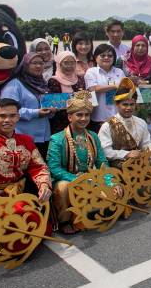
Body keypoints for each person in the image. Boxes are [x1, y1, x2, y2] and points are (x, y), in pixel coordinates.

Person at [47, 91, 110, 234]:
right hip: (66, 179)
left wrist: (109, 180)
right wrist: (76, 179)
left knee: (112, 189)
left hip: (89, 177)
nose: (84, 118)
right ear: (70, 117)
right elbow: (54, 168)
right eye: (79, 115)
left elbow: (102, 162)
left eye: (87, 115)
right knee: (63, 188)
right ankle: (65, 221)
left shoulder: (93, 136)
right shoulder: (57, 139)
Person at [0, 51, 54, 158]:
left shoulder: (42, 84)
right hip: (22, 137)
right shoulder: (14, 85)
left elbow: (45, 107)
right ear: (25, 65)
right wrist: (36, 113)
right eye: (34, 63)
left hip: (43, 137)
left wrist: (52, 110)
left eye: (41, 63)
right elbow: (8, 111)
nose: (38, 66)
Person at [98, 77, 151, 166]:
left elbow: (146, 143)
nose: (129, 108)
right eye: (125, 104)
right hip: (116, 168)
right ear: (117, 104)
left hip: (139, 165)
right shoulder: (107, 125)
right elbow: (105, 151)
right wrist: (126, 154)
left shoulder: (141, 122)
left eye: (132, 104)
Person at [85, 44, 125, 132]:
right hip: (98, 117)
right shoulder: (91, 72)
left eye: (110, 56)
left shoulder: (119, 72)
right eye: (102, 55)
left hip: (117, 116)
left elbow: (124, 89)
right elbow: (93, 88)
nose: (106, 58)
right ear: (96, 57)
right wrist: (114, 86)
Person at [47, 51, 84, 134]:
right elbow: (53, 104)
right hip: (60, 124)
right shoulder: (53, 81)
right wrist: (77, 100)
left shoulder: (80, 79)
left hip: (80, 122)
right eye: (66, 63)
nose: (69, 66)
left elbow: (87, 98)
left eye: (72, 62)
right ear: (59, 64)